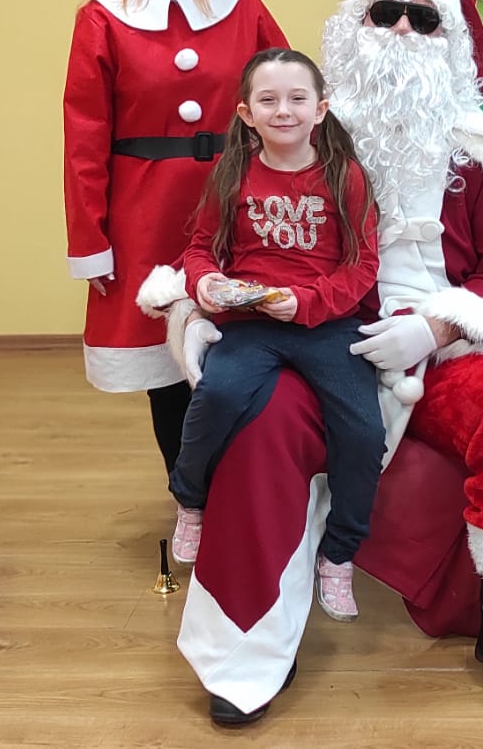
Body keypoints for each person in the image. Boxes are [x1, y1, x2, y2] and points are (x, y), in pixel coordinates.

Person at [160, 0, 483, 730]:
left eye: (422, 17)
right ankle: (245, 644)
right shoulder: (305, 126)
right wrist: (200, 305)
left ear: (449, 38)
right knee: (256, 424)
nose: (403, 31)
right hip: (316, 328)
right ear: (354, 28)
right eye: (385, 13)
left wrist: (436, 326)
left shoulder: (474, 146)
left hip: (441, 344)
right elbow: (226, 233)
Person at [62, 0, 287, 477]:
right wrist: (91, 242)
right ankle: (191, 494)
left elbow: (285, 96)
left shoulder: (239, 1)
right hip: (146, 215)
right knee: (169, 365)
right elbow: (83, 138)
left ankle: (255, 494)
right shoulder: (103, 17)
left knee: (249, 350)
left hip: (238, 201)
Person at [165, 50, 385, 619]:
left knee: (363, 431)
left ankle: (339, 554)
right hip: (251, 323)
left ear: (320, 110)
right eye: (268, 100)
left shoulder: (345, 176)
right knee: (217, 396)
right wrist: (205, 282)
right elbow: (199, 249)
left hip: (327, 323)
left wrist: (307, 303)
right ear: (246, 113)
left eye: (296, 99)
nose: (283, 110)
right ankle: (190, 500)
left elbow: (362, 266)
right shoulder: (231, 173)